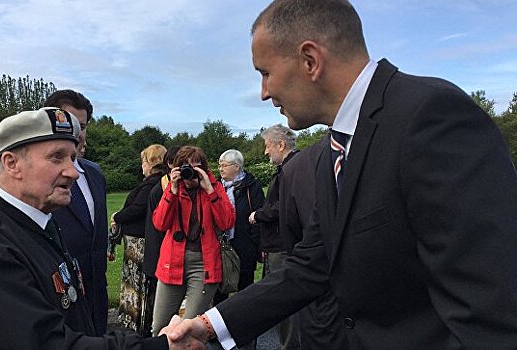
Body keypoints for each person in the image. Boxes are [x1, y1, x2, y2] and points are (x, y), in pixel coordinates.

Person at [169, 0, 517, 349]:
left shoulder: (431, 116)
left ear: (310, 61)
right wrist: (209, 325)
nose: (263, 93)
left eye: (264, 72)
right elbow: (311, 264)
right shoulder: (336, 148)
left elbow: (491, 303)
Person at [0, 107, 198, 349]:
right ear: (11, 164)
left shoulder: (37, 224)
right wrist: (160, 345)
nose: (73, 172)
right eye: (57, 157)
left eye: (72, 158)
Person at [151, 146, 235, 336]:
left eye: (197, 168)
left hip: (204, 263)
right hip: (172, 262)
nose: (191, 174)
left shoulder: (214, 188)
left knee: (191, 329)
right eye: (186, 168)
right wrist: (171, 191)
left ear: (204, 169)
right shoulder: (173, 189)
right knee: (159, 327)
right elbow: (160, 223)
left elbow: (226, 222)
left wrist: (210, 190)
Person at [46, 90, 110, 335]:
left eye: (81, 125)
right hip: (59, 300)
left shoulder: (95, 174)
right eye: (69, 123)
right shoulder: (39, 181)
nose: (77, 133)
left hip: (96, 296)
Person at [278, 134, 347, 349]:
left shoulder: (294, 168)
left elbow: (289, 231)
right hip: (320, 295)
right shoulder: (295, 168)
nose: (265, 97)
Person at [247, 124, 302, 350]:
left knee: (285, 299)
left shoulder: (293, 169)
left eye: (267, 146)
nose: (266, 152)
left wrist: (259, 214)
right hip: (277, 244)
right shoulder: (288, 169)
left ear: (281, 144)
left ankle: (289, 345)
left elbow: (285, 206)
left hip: (283, 245)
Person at [111, 144, 167, 334]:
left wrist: (117, 217)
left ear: (151, 163)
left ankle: (137, 323)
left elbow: (137, 209)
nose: (141, 166)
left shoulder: (152, 185)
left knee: (138, 285)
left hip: (140, 244)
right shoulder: (158, 183)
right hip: (139, 242)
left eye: (143, 161)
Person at [214, 149, 265, 307]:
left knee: (245, 288)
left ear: (237, 167)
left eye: (224, 165)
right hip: (221, 246)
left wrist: (256, 244)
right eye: (219, 165)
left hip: (245, 244)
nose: (220, 169)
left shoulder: (252, 187)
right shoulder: (215, 187)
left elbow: (260, 216)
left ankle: (244, 321)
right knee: (220, 289)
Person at [143, 146, 181, 337]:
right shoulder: (160, 190)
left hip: (172, 259)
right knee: (159, 315)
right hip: (161, 258)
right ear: (170, 164)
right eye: (180, 163)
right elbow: (158, 227)